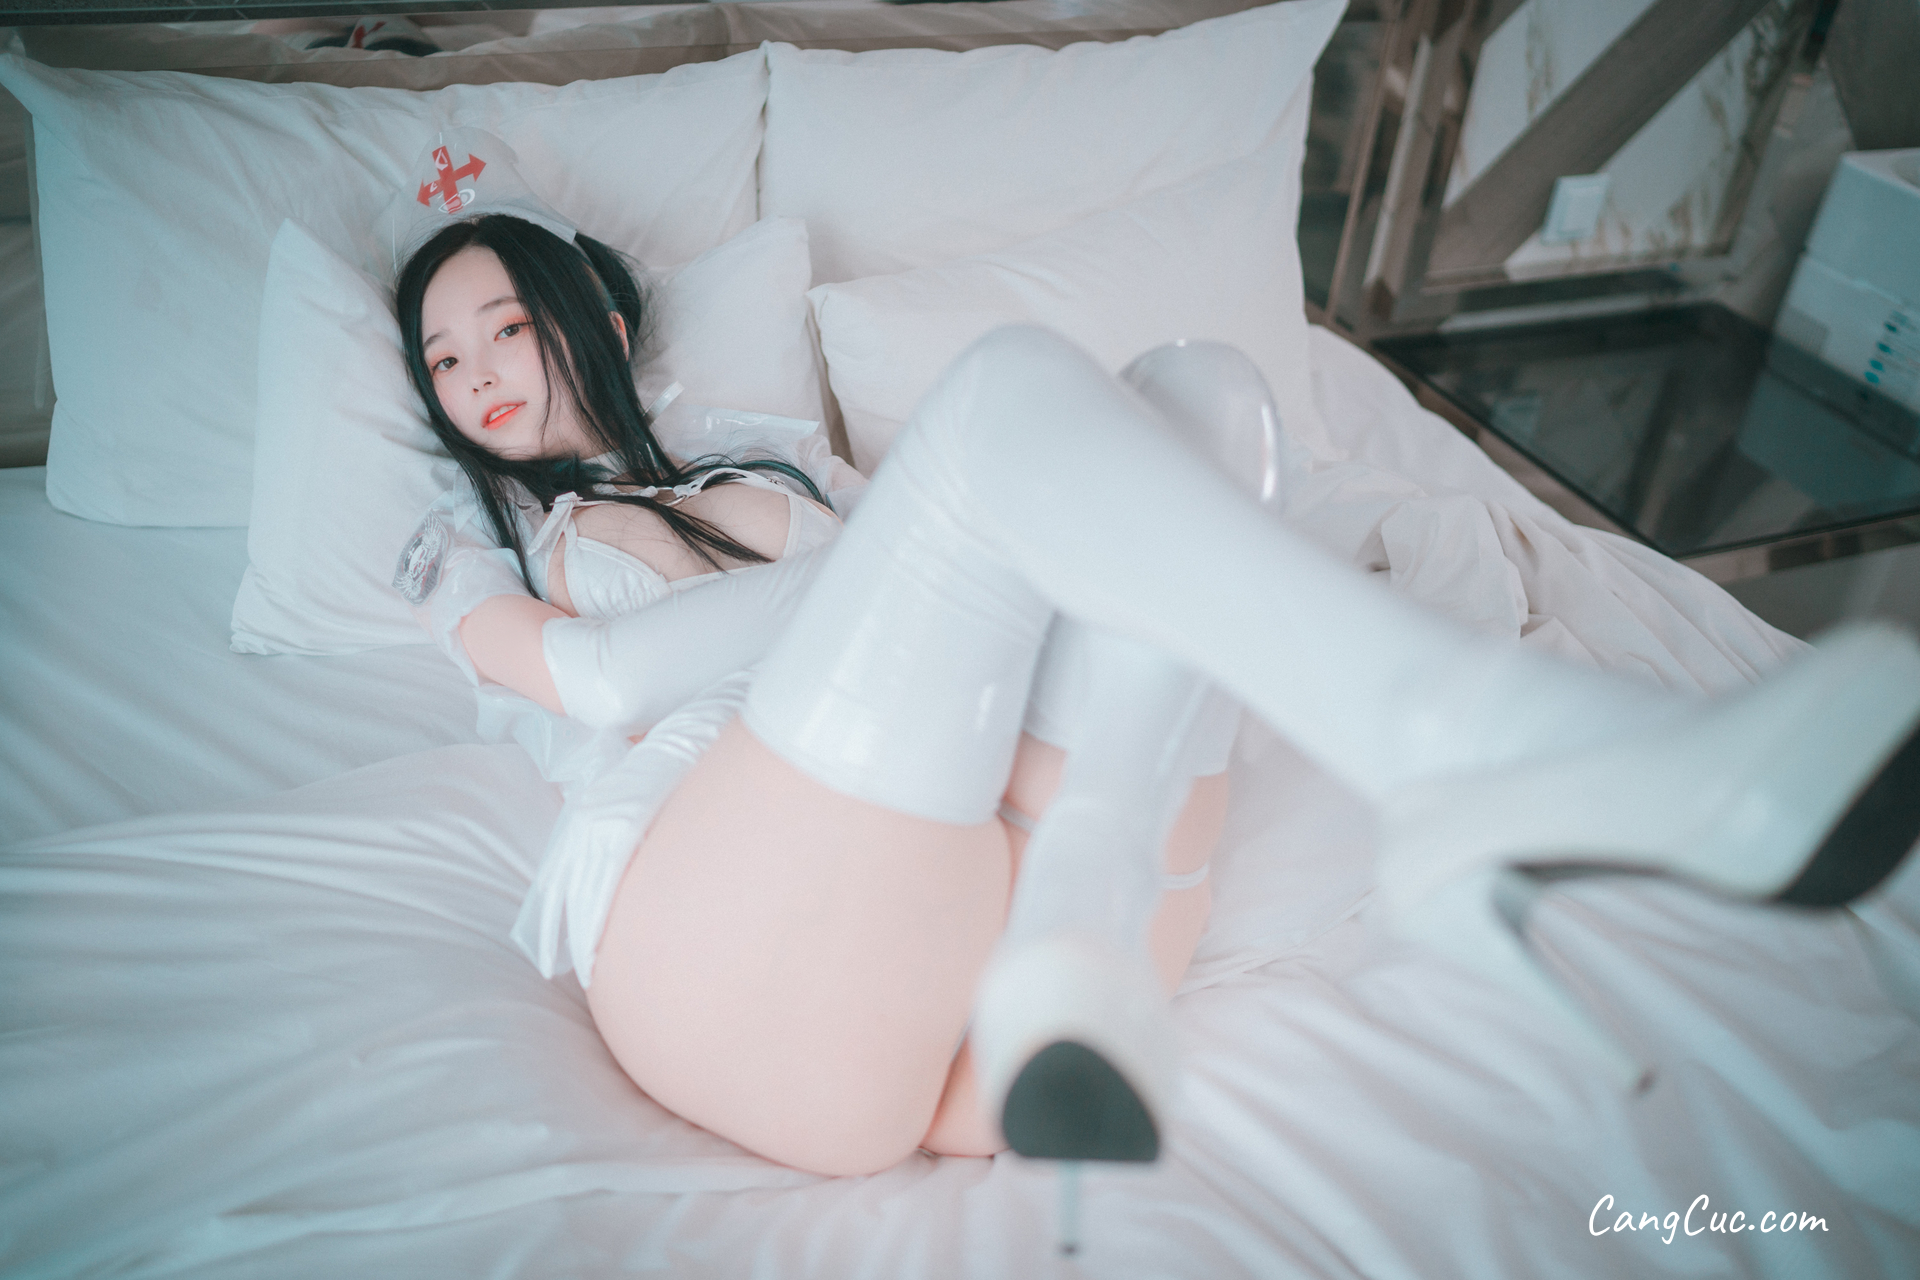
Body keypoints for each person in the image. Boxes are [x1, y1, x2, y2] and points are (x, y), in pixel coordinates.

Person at [398, 213, 1920, 1179]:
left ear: (593, 322)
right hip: (724, 964)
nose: (476, 377)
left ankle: (1093, 895)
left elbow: (946, 604)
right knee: (1004, 398)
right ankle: (1465, 739)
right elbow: (601, 674)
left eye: (505, 326)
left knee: (1208, 399)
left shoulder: (770, 466)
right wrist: (992, 545)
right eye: (442, 360)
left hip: (949, 1002)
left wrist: (999, 551)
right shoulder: (504, 561)